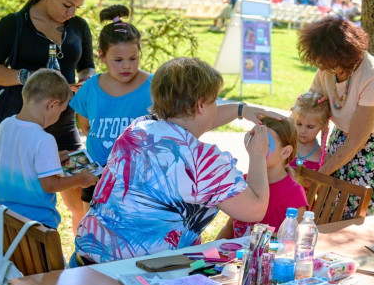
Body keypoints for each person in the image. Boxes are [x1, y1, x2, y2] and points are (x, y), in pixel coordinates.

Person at [74, 58, 277, 264]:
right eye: (214, 101)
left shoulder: (139, 129)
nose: (216, 107)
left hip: (89, 258)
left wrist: (240, 110)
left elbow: (190, 121)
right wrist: (258, 155)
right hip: (133, 272)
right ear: (200, 105)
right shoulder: (201, 161)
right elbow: (255, 210)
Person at [0, 0, 95, 235]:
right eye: (67, 5)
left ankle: (79, 253)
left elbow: (87, 65)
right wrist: (26, 76)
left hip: (63, 122)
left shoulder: (78, 27)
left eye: (77, 7)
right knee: (24, 202)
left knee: (79, 205)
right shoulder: (14, 24)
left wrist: (87, 80)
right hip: (25, 125)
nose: (71, 13)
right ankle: (16, 249)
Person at [301, 16, 374, 218]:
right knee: (330, 212)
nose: (323, 69)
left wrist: (318, 176)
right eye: (320, 63)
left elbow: (355, 142)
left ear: (346, 56)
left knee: (361, 221)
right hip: (340, 143)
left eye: (329, 65)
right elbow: (308, 108)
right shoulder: (326, 67)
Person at [0, 69, 97, 229]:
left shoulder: (5, 125)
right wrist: (81, 179)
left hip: (4, 218)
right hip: (35, 224)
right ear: (52, 105)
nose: (59, 116)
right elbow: (50, 185)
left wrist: (52, 158)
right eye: (61, 111)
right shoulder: (44, 139)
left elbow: (20, 158)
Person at [70, 5, 151, 211]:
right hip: (96, 176)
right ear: (102, 56)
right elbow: (86, 128)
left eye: (133, 58)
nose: (127, 65)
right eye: (118, 60)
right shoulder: (89, 88)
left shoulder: (153, 86)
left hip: (137, 178)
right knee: (92, 225)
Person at [218, 117, 308, 239]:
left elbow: (297, 237)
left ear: (285, 152)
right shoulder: (244, 181)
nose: (256, 147)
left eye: (264, 144)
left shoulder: (294, 193)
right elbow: (229, 227)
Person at [291, 91, 331, 171]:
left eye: (310, 127)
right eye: (299, 124)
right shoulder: (284, 146)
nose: (303, 131)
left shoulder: (325, 158)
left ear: (323, 126)